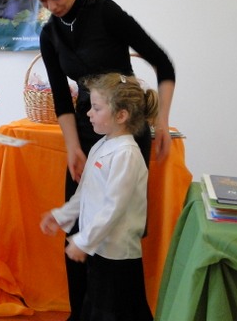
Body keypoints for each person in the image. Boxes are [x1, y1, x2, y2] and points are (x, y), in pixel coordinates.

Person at [27, 0, 176, 321]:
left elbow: (162, 62)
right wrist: (73, 147)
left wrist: (162, 123)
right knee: (78, 224)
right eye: (43, 1)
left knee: (116, 223)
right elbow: (61, 98)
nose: (52, 7)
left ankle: (120, 310)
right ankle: (81, 313)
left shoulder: (106, 13)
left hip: (126, 125)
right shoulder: (49, 34)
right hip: (87, 126)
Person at [40, 73, 157, 321]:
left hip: (118, 255)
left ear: (121, 115)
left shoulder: (126, 155)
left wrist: (84, 241)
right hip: (100, 249)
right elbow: (85, 194)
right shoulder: (101, 145)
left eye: (96, 108)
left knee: (118, 312)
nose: (88, 113)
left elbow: (113, 208)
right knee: (95, 306)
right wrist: (61, 215)